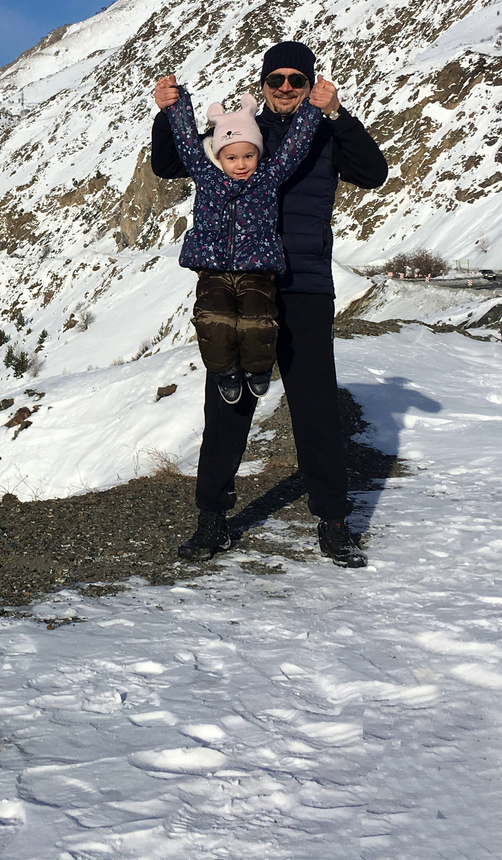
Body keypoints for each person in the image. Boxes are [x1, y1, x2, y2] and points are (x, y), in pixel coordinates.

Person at [152, 41, 389, 567]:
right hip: (239, 281)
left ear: (308, 85)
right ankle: (212, 518)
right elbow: (172, 162)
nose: (285, 88)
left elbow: (373, 173)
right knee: (228, 403)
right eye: (276, 79)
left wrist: (337, 115)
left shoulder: (323, 131)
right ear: (262, 84)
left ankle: (332, 521)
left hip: (304, 283)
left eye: (296, 80)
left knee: (315, 405)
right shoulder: (238, 132)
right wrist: (164, 109)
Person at [160, 85, 323, 408]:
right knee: (212, 319)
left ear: (258, 153)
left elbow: (295, 147)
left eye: (249, 155)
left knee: (257, 321)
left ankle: (258, 368)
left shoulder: (268, 177)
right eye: (232, 157)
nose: (241, 164)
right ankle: (224, 371)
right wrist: (176, 103)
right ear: (218, 156)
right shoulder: (206, 175)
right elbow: (187, 143)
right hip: (213, 267)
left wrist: (313, 110)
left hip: (256, 267)